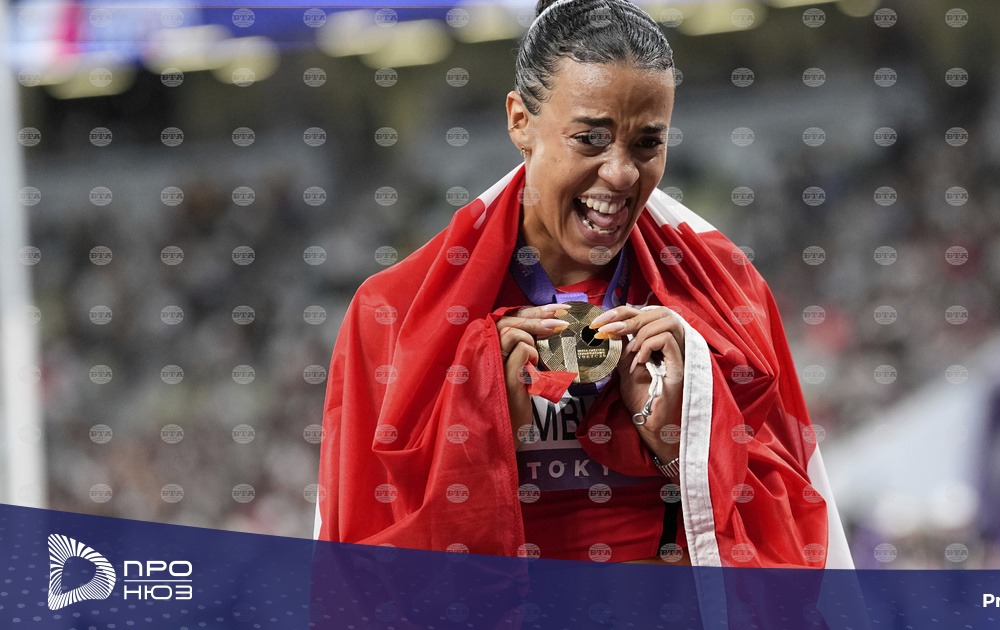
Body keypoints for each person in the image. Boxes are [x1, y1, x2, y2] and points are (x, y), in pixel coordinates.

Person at [315, 0, 851, 569]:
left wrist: (684, 448)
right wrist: (477, 440)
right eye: (591, 138)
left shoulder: (726, 294)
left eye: (647, 143)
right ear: (520, 121)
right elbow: (359, 561)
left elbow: (795, 539)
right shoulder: (393, 314)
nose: (621, 173)